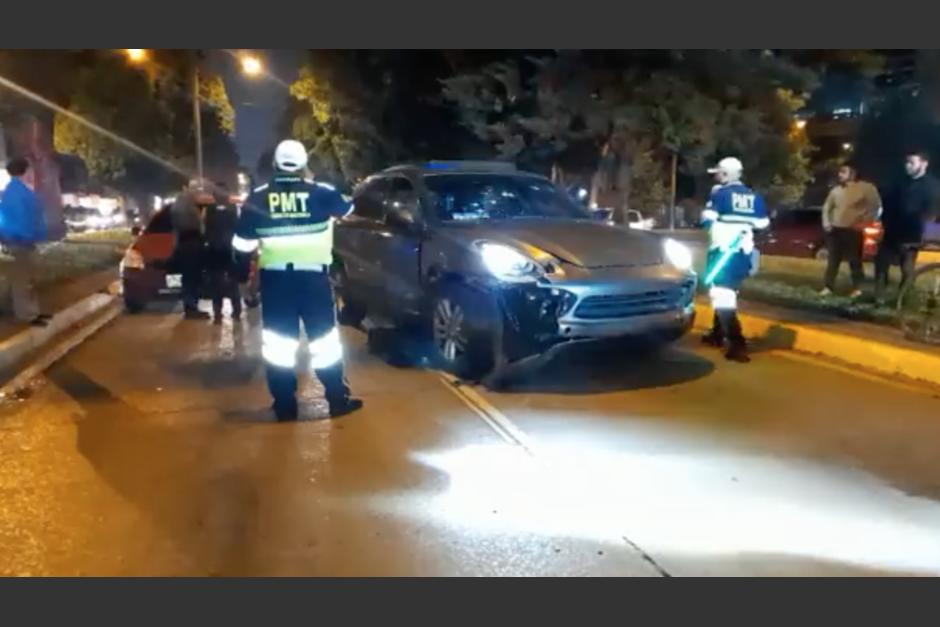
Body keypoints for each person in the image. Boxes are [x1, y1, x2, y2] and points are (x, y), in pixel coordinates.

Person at [233, 139, 363, 421]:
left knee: (279, 347)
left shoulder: (257, 198)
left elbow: (242, 246)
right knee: (325, 343)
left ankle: (284, 406)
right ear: (304, 164)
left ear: (275, 165)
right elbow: (349, 209)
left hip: (276, 283)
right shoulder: (321, 193)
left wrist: (244, 280)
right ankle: (337, 401)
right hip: (313, 281)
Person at [700, 157, 769, 363]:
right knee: (727, 291)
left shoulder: (720, 194)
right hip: (744, 253)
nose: (717, 176)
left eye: (719, 173)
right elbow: (763, 224)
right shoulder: (754, 196)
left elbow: (706, 220)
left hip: (723, 252)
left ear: (726, 174)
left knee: (721, 295)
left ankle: (737, 344)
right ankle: (717, 334)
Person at [875, 149, 940, 304]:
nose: (908, 166)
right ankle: (879, 296)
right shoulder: (899, 182)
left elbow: (931, 211)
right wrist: (885, 222)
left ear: (924, 164)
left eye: (912, 162)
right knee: (881, 262)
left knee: (907, 267)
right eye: (907, 162)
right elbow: (889, 202)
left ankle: (903, 298)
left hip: (912, 233)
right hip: (893, 230)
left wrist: (923, 230)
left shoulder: (932, 186)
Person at [0, 158, 50, 327]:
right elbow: (21, 219)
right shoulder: (16, 192)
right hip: (20, 242)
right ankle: (26, 315)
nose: (32, 173)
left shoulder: (16, 190)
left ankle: (31, 312)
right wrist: (29, 236)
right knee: (22, 280)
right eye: (30, 170)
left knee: (26, 278)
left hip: (23, 240)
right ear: (25, 171)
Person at [820, 163, 881, 298]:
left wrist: (864, 223)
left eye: (843, 172)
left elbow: (875, 208)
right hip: (835, 230)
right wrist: (827, 223)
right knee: (833, 261)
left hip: (853, 230)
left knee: (855, 261)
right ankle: (828, 287)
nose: (839, 175)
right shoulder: (836, 190)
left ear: (853, 173)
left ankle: (857, 288)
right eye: (839, 172)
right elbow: (827, 207)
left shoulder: (866, 188)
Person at [204, 183, 242, 324]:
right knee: (233, 282)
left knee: (216, 283)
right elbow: (238, 228)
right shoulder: (233, 209)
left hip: (214, 250)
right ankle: (236, 312)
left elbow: (205, 230)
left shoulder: (210, 210)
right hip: (230, 250)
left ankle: (218, 314)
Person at [171, 180, 209, 320]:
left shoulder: (185, 203)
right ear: (185, 188)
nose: (197, 191)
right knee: (191, 277)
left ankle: (191, 307)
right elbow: (190, 225)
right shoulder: (184, 204)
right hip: (189, 244)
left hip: (188, 244)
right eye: (194, 188)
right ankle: (191, 308)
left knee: (191, 277)